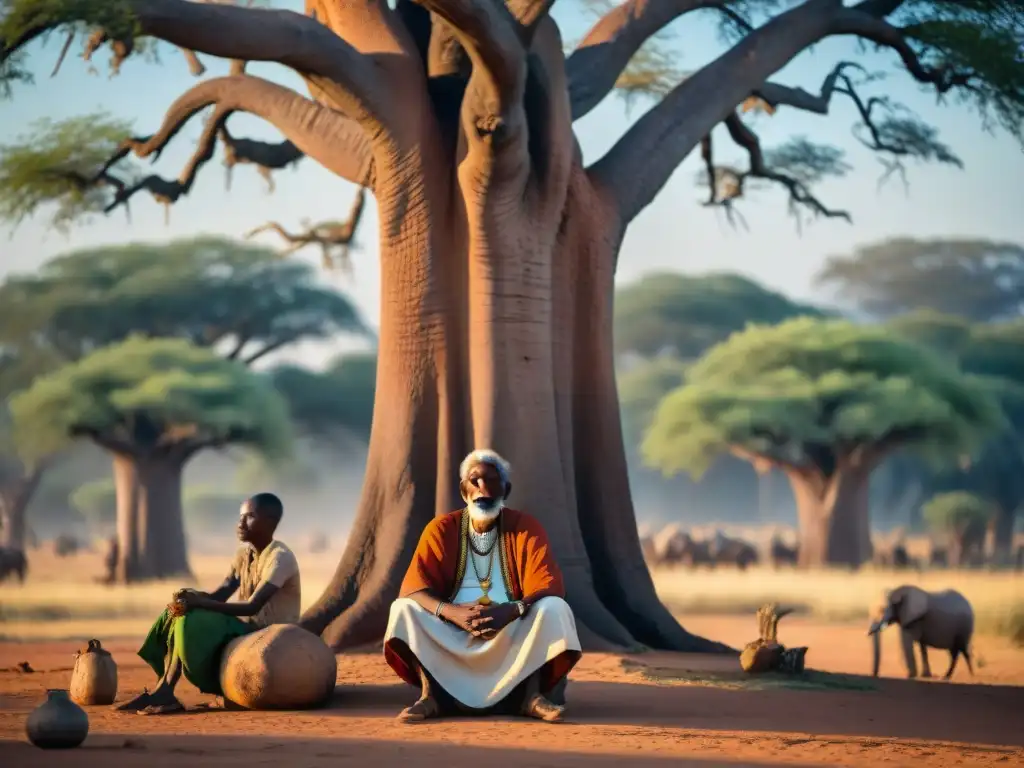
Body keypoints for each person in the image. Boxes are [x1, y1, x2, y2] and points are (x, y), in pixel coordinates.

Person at [384, 449, 582, 724]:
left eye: (492, 479)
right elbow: (414, 588)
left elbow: (549, 584)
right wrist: (452, 613)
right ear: (463, 491)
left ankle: (531, 696)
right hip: (452, 629)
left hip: (510, 628)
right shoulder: (441, 528)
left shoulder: (525, 526)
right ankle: (431, 697)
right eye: (475, 480)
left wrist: (512, 610)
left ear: (506, 488)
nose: (482, 487)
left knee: (554, 608)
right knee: (403, 609)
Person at [115, 492, 301, 715]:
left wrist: (199, 604)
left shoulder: (280, 557)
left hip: (267, 634)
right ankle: (162, 690)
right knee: (178, 611)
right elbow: (221, 594)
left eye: (249, 517)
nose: (240, 523)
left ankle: (165, 692)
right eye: (240, 517)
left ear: (270, 522)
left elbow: (252, 607)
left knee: (190, 616)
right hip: (244, 628)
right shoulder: (244, 554)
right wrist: (191, 597)